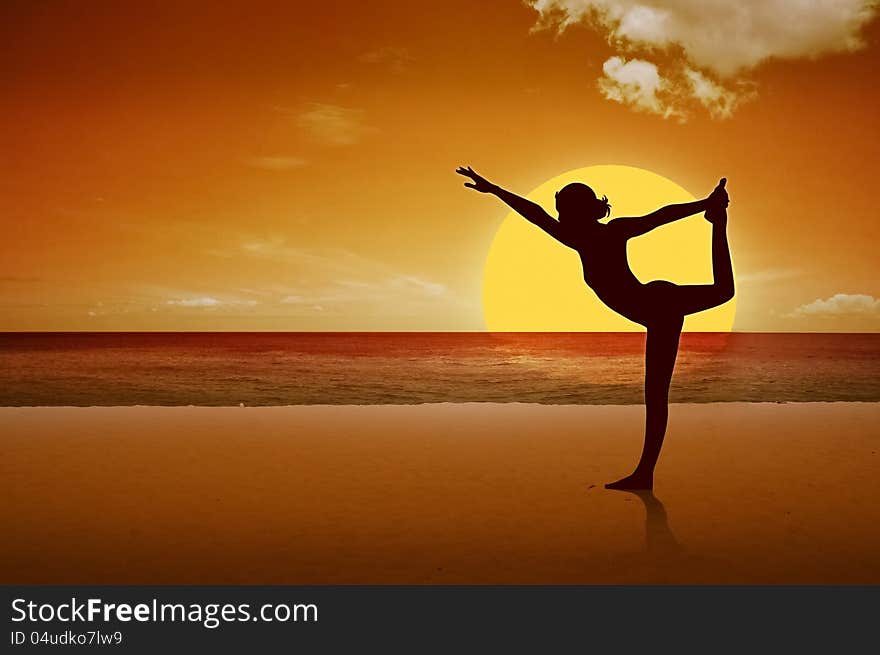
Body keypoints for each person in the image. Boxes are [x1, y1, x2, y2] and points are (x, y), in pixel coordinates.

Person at [456, 166, 733, 490]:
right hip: (657, 304)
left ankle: (644, 474)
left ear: (581, 211)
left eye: (564, 210)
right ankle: (717, 221)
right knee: (719, 297)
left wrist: (702, 203)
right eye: (559, 210)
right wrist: (495, 189)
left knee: (657, 394)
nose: (558, 216)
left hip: (659, 308)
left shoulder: (606, 233)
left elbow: (659, 216)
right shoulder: (579, 237)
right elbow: (535, 213)